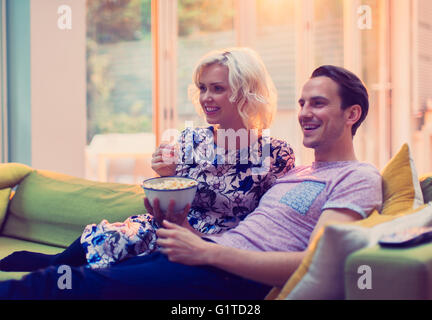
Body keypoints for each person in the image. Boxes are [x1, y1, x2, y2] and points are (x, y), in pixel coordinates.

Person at [0, 65, 382, 300]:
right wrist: (180, 224)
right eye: (301, 103)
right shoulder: (297, 174)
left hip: (228, 276)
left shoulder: (358, 176)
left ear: (352, 113)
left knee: (60, 288)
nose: (303, 113)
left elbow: (319, 262)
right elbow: (245, 226)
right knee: (66, 280)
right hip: (196, 252)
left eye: (317, 103)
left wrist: (207, 253)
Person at [0, 47, 294, 271]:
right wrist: (165, 174)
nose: (205, 97)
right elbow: (172, 197)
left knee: (118, 268)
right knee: (106, 237)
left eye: (217, 88)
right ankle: (50, 266)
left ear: (246, 93)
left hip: (214, 247)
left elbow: (272, 222)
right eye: (203, 87)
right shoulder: (191, 140)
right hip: (164, 230)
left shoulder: (276, 154)